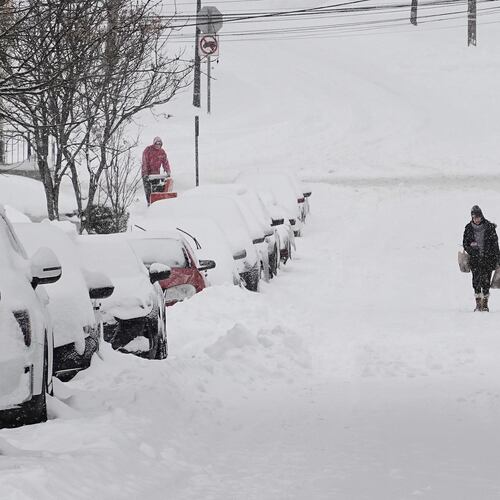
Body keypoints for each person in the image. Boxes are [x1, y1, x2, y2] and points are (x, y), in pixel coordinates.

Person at [463, 205, 500, 311]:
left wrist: (498, 257)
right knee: (476, 282)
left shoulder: (489, 227)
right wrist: (472, 249)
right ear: (472, 217)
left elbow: (495, 244)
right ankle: (478, 303)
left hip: (488, 259)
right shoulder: (468, 228)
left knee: (486, 282)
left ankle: (485, 304)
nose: (477, 219)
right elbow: (465, 243)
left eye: (478, 217)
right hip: (475, 259)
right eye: (474, 217)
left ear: (482, 216)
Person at [141, 136, 171, 205]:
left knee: (157, 190)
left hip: (156, 174)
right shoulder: (148, 150)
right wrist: (145, 173)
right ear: (154, 143)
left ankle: (156, 203)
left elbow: (165, 162)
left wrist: (168, 171)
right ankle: (149, 203)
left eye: (159, 144)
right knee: (149, 190)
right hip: (147, 174)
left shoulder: (162, 152)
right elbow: (144, 162)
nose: (158, 145)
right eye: (156, 144)